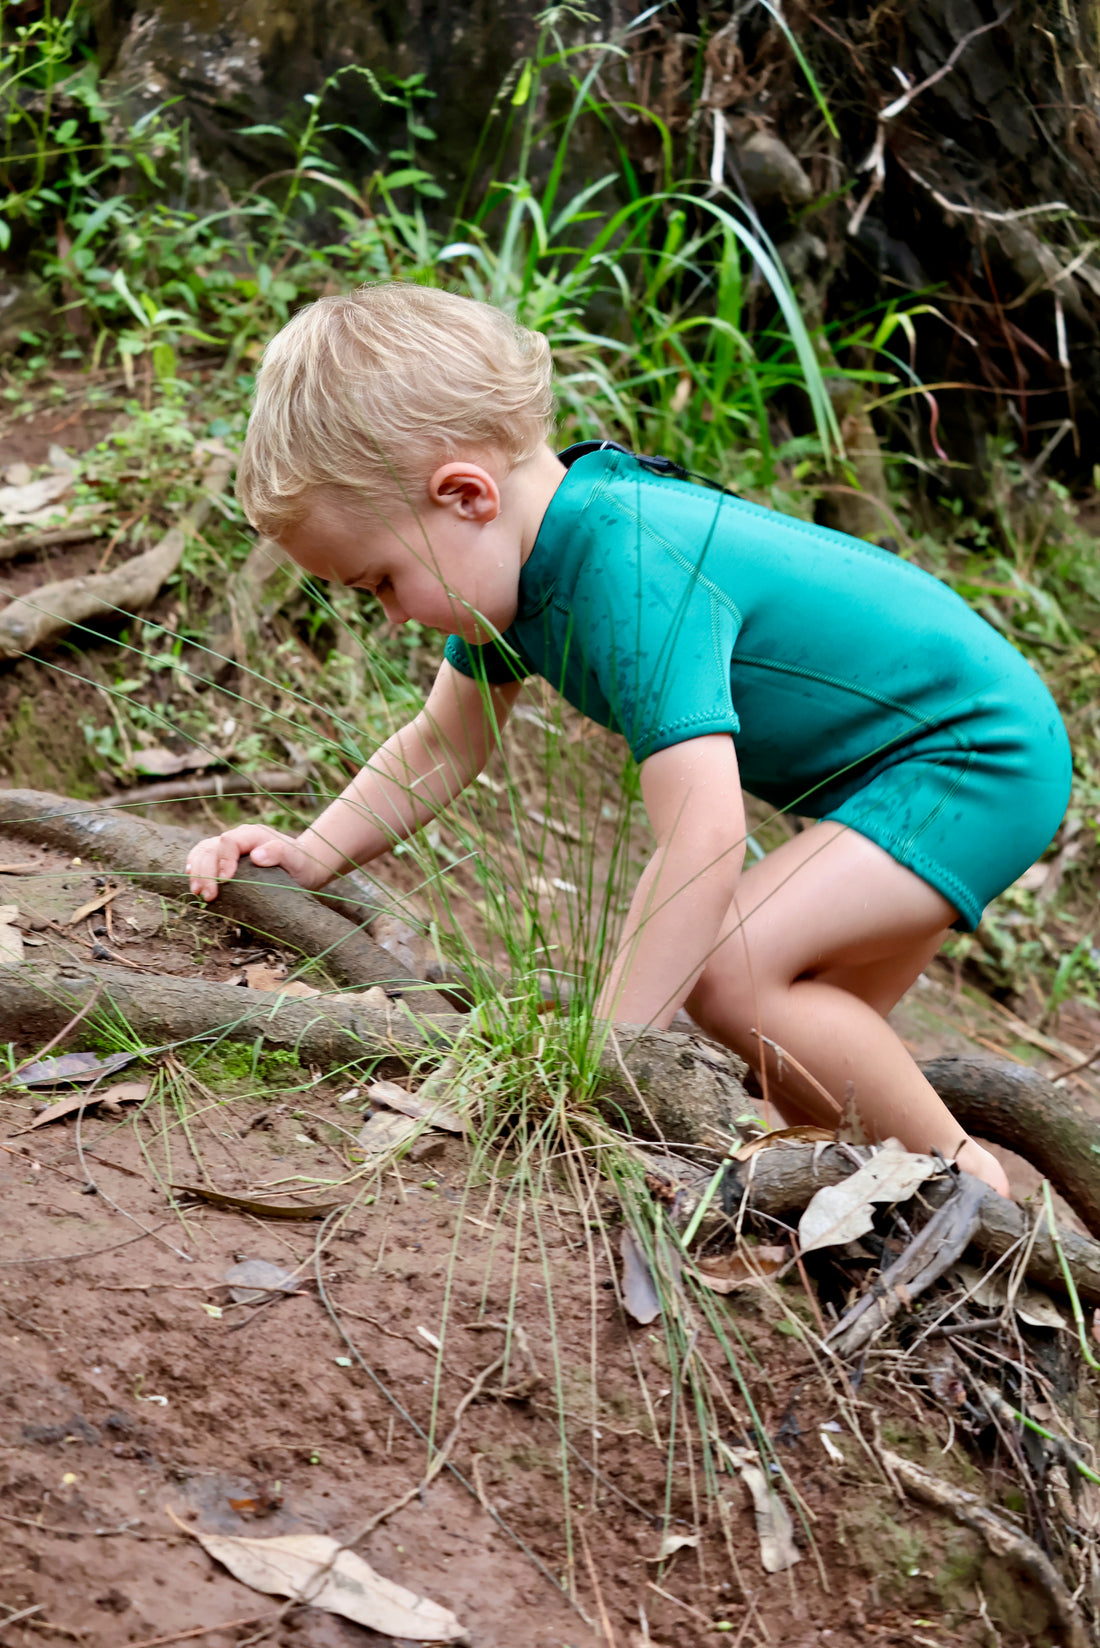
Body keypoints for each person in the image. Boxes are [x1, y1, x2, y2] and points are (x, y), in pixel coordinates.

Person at [186, 284, 1073, 1196]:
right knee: (798, 1057)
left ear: (465, 496)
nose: (388, 613)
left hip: (973, 758)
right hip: (893, 774)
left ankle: (966, 1188)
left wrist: (593, 1068)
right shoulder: (516, 567)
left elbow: (704, 841)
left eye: (380, 581)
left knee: (731, 972)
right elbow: (443, 745)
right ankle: (854, 1219)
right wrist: (310, 854)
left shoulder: (631, 565)